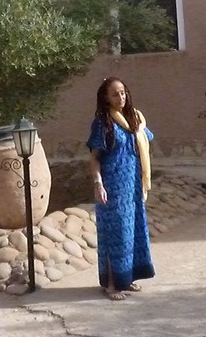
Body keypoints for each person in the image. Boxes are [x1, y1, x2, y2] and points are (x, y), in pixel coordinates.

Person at [86, 76, 155, 301]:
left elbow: (146, 139)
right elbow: (95, 158)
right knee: (114, 237)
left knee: (133, 233)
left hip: (133, 187)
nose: (121, 97)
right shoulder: (102, 123)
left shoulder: (135, 120)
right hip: (113, 188)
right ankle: (112, 285)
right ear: (105, 98)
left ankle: (128, 278)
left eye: (123, 92)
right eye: (115, 94)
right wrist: (98, 184)